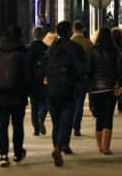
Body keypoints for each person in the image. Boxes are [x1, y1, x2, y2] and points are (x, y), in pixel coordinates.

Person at [0, 26, 29, 168]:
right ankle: (17, 153)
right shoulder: (22, 53)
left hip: (0, 96)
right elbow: (26, 76)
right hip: (17, 96)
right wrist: (27, 93)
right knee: (18, 126)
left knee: (2, 127)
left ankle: (3, 155)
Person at [45, 21, 84, 166]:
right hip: (68, 89)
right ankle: (58, 148)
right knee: (66, 121)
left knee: (56, 122)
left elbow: (46, 67)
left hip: (52, 89)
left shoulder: (52, 48)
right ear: (69, 32)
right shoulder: (75, 48)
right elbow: (81, 69)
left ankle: (58, 147)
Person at [89, 28, 122, 155]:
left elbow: (89, 70)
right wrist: (120, 85)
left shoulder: (93, 51)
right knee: (108, 117)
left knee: (99, 117)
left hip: (95, 89)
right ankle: (106, 146)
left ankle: (100, 145)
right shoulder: (115, 52)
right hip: (110, 88)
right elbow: (120, 70)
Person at [70, 20, 93, 137]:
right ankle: (76, 127)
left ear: (73, 29)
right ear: (83, 29)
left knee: (70, 103)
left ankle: (69, 125)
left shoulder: (69, 42)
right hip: (83, 77)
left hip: (70, 78)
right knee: (79, 103)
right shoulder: (88, 43)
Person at [28, 27, 49, 136]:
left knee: (34, 104)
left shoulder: (29, 49)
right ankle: (41, 117)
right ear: (43, 35)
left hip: (32, 81)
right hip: (44, 80)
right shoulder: (46, 48)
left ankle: (36, 128)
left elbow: (26, 66)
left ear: (33, 35)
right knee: (44, 102)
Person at [111, 28, 122, 114]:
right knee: (121, 88)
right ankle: (120, 108)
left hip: (111, 72)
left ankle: (112, 106)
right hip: (120, 72)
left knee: (111, 89)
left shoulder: (109, 48)